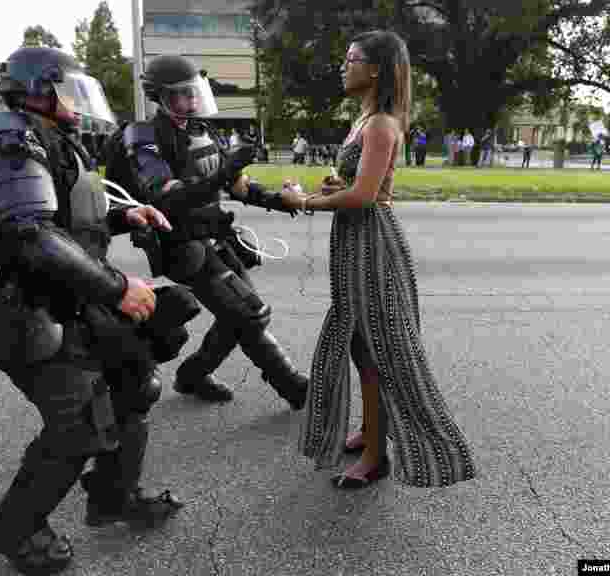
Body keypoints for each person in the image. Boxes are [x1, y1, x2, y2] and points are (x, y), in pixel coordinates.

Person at [0, 47, 184, 575]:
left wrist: (123, 216)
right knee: (77, 427)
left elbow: (66, 219)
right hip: (23, 308)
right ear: (40, 89)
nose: (79, 100)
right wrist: (116, 289)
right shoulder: (11, 142)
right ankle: (14, 532)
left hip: (69, 295)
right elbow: (31, 235)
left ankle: (113, 497)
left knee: (135, 384)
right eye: (69, 88)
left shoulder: (49, 138)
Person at [278, 30, 477, 490]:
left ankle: (377, 455)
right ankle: (371, 431)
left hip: (372, 244)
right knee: (359, 343)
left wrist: (303, 201)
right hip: (355, 242)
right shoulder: (365, 120)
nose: (343, 66)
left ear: (375, 70)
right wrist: (330, 187)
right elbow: (356, 186)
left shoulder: (383, 123)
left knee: (376, 351)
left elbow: (366, 196)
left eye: (351, 59)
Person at [123, 53, 309, 408]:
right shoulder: (143, 136)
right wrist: (223, 175)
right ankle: (294, 387)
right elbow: (167, 198)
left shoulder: (201, 130)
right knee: (249, 313)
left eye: (194, 92)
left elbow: (237, 185)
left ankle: (193, 375)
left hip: (215, 236)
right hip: (181, 244)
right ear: (159, 96)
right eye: (181, 94)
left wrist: (277, 201)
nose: (190, 101)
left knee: (239, 314)